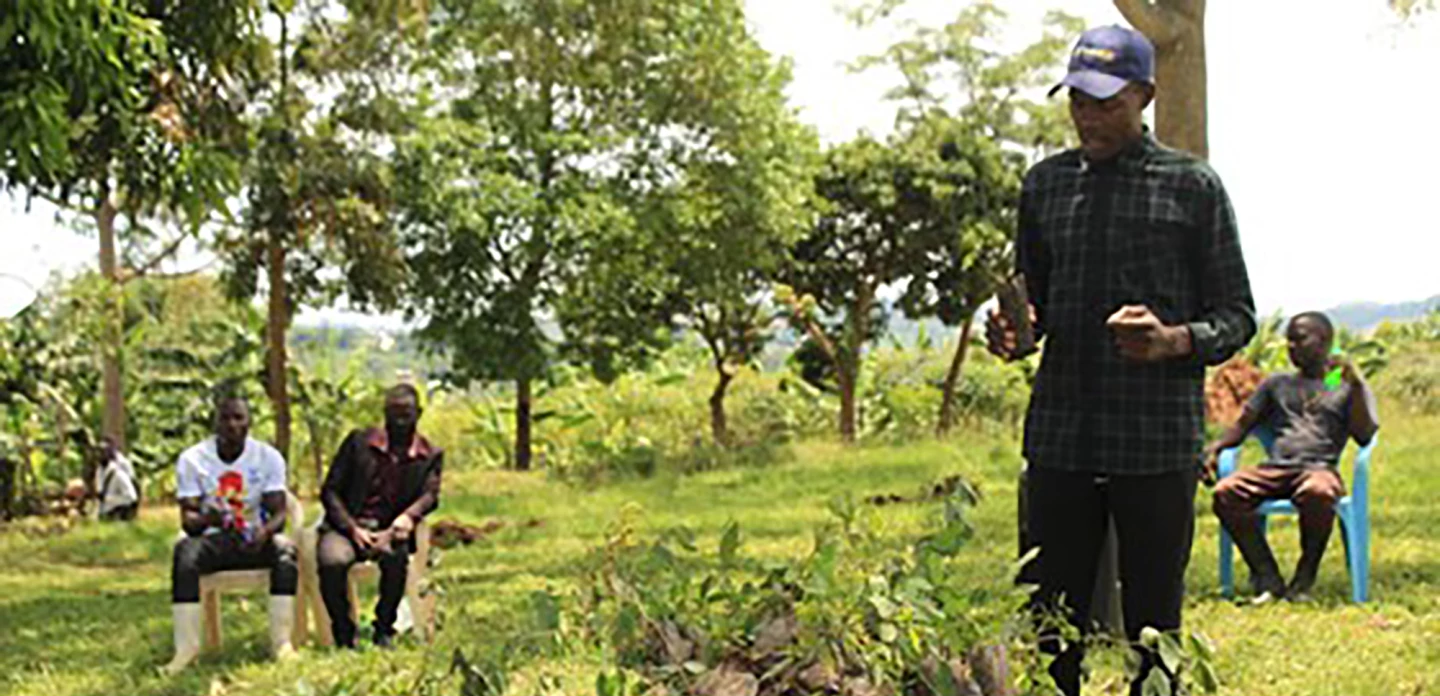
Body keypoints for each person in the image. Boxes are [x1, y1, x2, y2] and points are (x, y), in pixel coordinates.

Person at [985, 24, 1257, 696]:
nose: (1089, 116)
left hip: (1153, 442)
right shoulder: (1045, 186)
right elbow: (1037, 305)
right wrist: (1017, 333)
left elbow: (1237, 315)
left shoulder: (1193, 187)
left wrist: (1175, 339)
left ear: (1145, 97)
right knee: (1052, 621)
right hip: (1061, 439)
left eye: (1106, 103)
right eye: (1079, 100)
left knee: (1154, 626)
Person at [1206, 312, 1379, 603]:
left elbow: (1364, 436)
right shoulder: (1276, 384)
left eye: (1299, 339)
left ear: (1324, 341)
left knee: (1318, 492)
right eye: (1288, 340)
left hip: (1318, 469)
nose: (1290, 346)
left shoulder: (1342, 385)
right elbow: (1242, 426)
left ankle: (1304, 578)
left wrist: (1358, 387)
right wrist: (1215, 448)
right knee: (1226, 493)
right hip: (1274, 469)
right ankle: (1267, 576)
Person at [164, 395, 297, 674]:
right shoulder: (193, 459)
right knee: (184, 553)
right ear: (215, 423)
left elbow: (279, 513)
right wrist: (208, 518)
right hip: (214, 541)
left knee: (285, 550)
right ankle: (186, 648)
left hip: (255, 538)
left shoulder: (268, 457)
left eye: (239, 418)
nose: (232, 425)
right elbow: (188, 522)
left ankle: (281, 643)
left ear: (249, 423)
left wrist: (264, 532)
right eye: (225, 418)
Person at [317, 383, 443, 649]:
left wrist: (407, 517)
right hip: (347, 527)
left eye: (406, 414)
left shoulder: (428, 455)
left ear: (418, 413)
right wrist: (352, 528)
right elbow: (330, 491)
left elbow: (430, 495)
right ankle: (344, 632)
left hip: (391, 528)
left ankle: (384, 629)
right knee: (331, 562)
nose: (399, 421)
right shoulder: (358, 443)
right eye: (393, 414)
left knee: (396, 559)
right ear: (384, 413)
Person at [94, 435, 139, 522]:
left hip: (117, 513)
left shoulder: (119, 472)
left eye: (103, 452)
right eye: (98, 452)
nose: (99, 455)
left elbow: (131, 497)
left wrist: (109, 499)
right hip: (104, 512)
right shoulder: (99, 471)